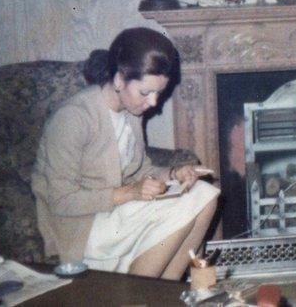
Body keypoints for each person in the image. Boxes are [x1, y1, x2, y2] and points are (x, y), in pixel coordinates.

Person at [31, 28, 219, 279]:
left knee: (206, 195)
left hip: (116, 212)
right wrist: (129, 193)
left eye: (158, 93)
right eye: (145, 92)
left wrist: (175, 173)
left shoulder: (131, 113)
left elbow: (139, 171)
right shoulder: (73, 118)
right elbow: (61, 201)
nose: (153, 103)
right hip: (81, 225)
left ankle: (163, 292)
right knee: (185, 207)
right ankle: (133, 294)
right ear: (120, 80)